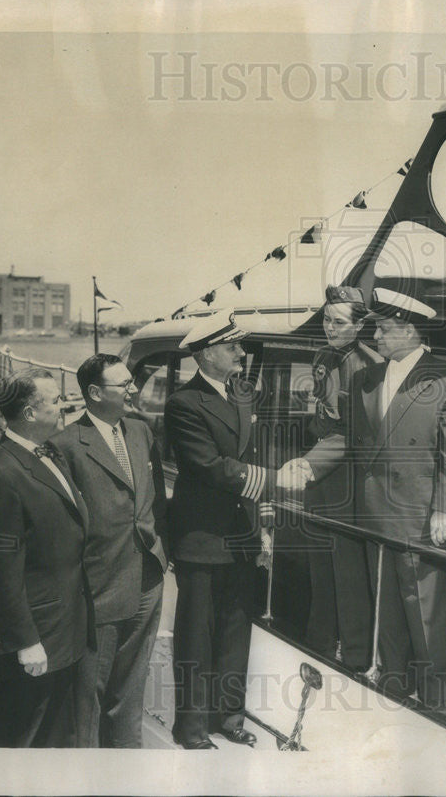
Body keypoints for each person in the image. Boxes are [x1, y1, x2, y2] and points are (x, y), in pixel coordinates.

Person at [293, 287, 446, 711]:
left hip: (420, 514)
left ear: (410, 331)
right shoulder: (365, 379)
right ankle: (394, 686)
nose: (376, 338)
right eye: (377, 329)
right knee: (387, 608)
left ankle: (437, 700)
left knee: (426, 612)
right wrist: (309, 465)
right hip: (374, 512)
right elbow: (350, 442)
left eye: (386, 330)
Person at [163, 310, 280, 750]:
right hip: (202, 538)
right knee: (196, 638)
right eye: (232, 346)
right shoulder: (184, 403)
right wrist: (273, 479)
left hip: (243, 536)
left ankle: (228, 717)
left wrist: (265, 524)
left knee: (235, 632)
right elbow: (210, 467)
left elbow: (258, 454)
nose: (241, 353)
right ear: (208, 353)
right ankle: (190, 728)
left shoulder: (243, 395)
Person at [0, 368, 92, 747]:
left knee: (51, 738)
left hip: (63, 629)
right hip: (34, 639)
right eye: (55, 400)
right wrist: (25, 642)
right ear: (29, 413)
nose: (65, 406)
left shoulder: (48, 453)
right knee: (11, 737)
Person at [48, 354, 168, 748]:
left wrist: (160, 552)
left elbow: (154, 501)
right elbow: (61, 531)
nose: (134, 390)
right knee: (87, 700)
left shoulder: (141, 432)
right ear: (95, 394)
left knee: (131, 693)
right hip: (97, 588)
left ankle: (126, 771)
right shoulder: (64, 445)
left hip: (147, 579)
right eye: (123, 385)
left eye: (131, 381)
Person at [303, 285, 381, 668]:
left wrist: (309, 463)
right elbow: (322, 415)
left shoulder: (368, 366)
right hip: (321, 480)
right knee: (319, 569)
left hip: (348, 481)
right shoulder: (323, 355)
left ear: (359, 325)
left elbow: (355, 435)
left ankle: (353, 657)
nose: (329, 328)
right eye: (325, 320)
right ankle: (318, 647)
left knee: (348, 575)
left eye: (337, 322)